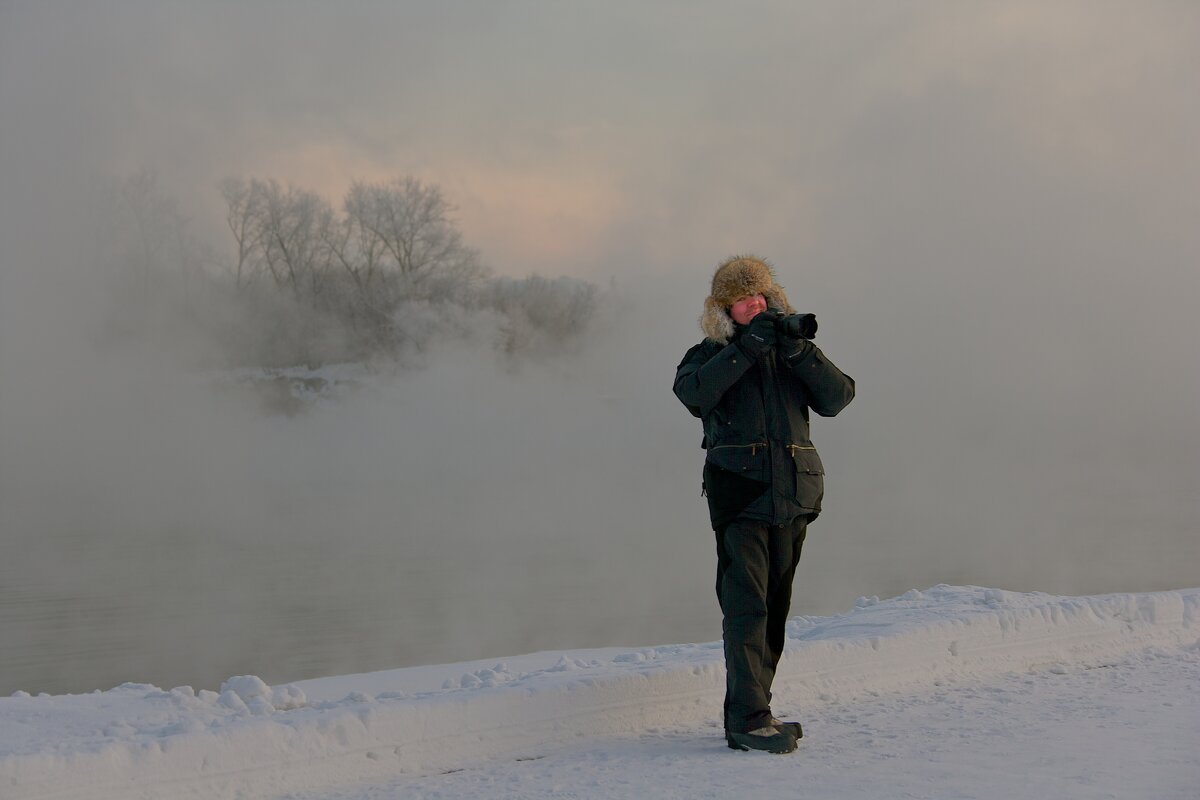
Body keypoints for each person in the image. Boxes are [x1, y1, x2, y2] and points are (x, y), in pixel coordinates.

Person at [673, 255, 855, 754]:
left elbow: (838, 398)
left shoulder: (790, 353)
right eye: (743, 299)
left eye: (760, 296)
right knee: (745, 608)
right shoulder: (708, 353)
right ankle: (748, 721)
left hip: (791, 498)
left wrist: (799, 351)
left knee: (774, 610)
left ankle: (757, 714)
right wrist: (746, 350)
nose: (755, 305)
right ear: (725, 308)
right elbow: (693, 394)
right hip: (742, 498)